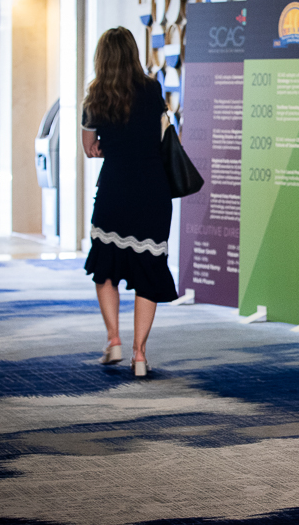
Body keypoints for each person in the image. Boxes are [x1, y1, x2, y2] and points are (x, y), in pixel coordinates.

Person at [81, 26, 177, 377]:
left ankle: (113, 339)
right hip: (152, 189)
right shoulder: (152, 88)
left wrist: (110, 145)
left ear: (101, 58)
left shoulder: (95, 96)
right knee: (148, 270)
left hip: (115, 189)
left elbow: (90, 148)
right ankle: (139, 354)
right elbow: (162, 133)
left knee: (105, 267)